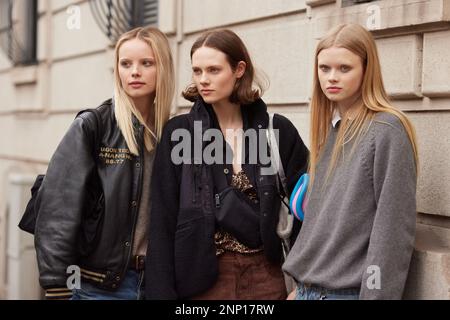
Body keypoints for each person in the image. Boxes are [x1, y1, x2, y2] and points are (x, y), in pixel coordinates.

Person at [145, 29, 309, 299]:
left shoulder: (276, 131)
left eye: (213, 70)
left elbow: (306, 211)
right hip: (204, 280)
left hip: (267, 277)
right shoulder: (179, 134)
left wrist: (302, 283)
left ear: (239, 69)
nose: (203, 80)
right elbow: (162, 220)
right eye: (197, 71)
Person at [34, 26, 175, 300]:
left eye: (146, 63)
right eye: (126, 64)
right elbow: (57, 208)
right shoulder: (93, 125)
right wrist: (56, 285)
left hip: (157, 284)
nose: (134, 72)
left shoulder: (171, 132)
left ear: (164, 68)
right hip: (98, 287)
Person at [283, 23, 419, 300]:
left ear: (366, 70)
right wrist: (300, 288)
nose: (332, 77)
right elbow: (322, 223)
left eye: (345, 68)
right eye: (324, 68)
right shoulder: (331, 130)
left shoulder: (387, 130)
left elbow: (392, 232)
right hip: (308, 290)